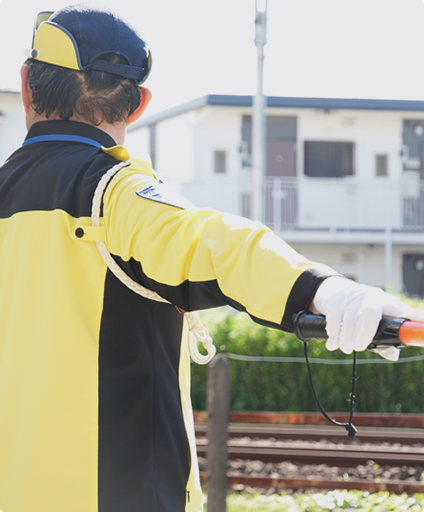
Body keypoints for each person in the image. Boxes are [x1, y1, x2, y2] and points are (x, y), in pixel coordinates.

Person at [1, 6, 423, 512]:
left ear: (26, 86)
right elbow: (217, 242)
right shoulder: (113, 193)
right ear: (138, 106)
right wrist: (327, 291)